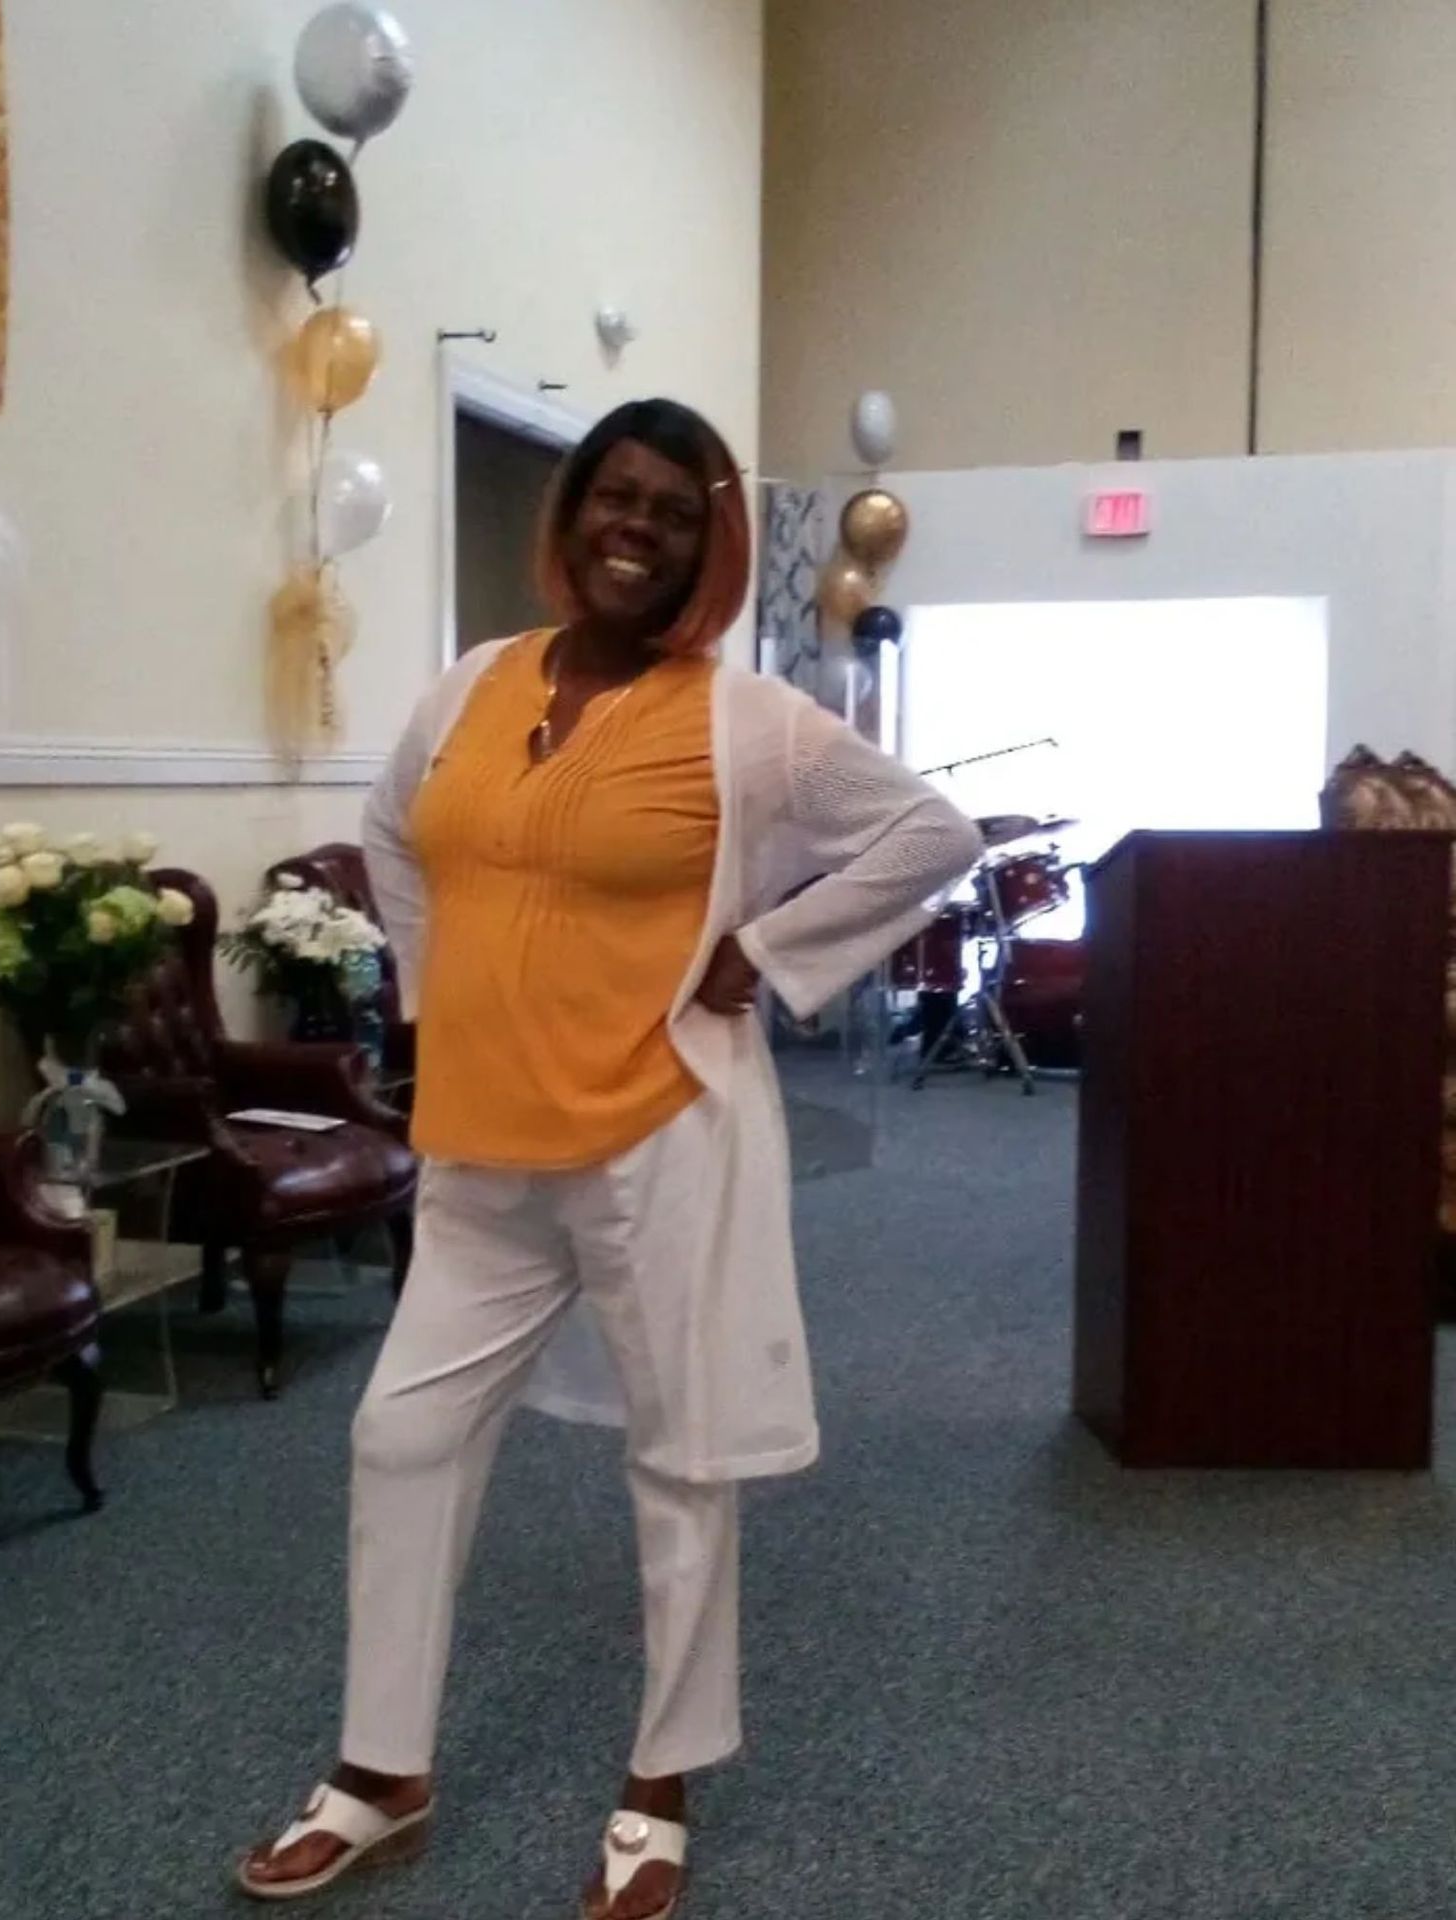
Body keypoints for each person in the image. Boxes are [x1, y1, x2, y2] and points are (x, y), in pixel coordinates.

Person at [237, 398, 981, 1917]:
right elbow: (395, 833)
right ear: (574, 510)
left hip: (661, 1134)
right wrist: (440, 1002)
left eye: (672, 512)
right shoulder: (472, 683)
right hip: (482, 1144)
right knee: (401, 1436)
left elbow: (929, 835)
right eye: (613, 497)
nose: (634, 529)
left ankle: (662, 1781)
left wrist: (766, 953)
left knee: (680, 1461)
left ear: (710, 546)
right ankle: (384, 1772)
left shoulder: (745, 720)